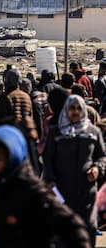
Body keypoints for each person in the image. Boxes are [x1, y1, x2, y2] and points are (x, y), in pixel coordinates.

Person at [43, 94, 106, 246]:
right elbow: (48, 159)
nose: (76, 111)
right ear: (66, 110)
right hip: (62, 192)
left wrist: (97, 169)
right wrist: (50, 182)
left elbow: (102, 157)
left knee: (88, 229)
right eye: (72, 108)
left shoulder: (93, 132)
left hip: (87, 193)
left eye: (79, 108)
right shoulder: (56, 133)